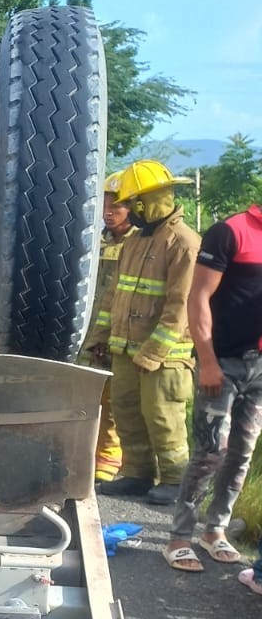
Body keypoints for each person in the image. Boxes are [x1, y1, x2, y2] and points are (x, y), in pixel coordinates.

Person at [91, 160, 200, 506]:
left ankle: (175, 480)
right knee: (126, 413)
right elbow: (114, 296)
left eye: (127, 202)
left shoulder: (183, 243)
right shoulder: (136, 242)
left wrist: (153, 353)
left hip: (164, 359)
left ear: (143, 202)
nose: (121, 210)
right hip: (125, 351)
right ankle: (137, 475)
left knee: (163, 418)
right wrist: (99, 338)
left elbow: (180, 306)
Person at [163, 200, 262, 570]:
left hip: (260, 367)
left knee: (241, 453)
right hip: (221, 363)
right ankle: (179, 538)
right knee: (210, 453)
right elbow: (198, 296)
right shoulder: (231, 232)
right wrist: (206, 360)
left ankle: (215, 530)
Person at [81, 173, 135, 480]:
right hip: (92, 334)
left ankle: (109, 461)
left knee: (116, 400)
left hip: (122, 334)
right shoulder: (94, 242)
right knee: (90, 395)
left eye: (117, 205)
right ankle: (88, 456)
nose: (109, 211)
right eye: (105, 204)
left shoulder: (138, 247)